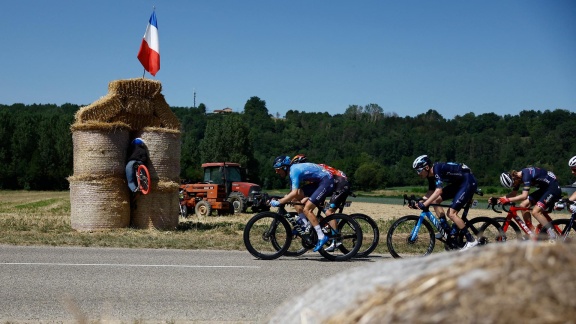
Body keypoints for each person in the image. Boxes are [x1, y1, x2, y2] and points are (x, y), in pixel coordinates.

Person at [412, 155, 479, 251]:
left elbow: (438, 191)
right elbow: (431, 192)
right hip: (459, 184)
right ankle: (446, 228)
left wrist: (426, 204)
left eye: (419, 170)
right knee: (435, 201)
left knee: (451, 213)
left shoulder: (437, 169)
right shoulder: (430, 175)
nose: (418, 173)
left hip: (468, 181)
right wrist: (419, 201)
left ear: (426, 167)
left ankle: (471, 240)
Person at [270, 155, 334, 252]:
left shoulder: (293, 171)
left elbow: (294, 192)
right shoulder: (291, 172)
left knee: (307, 209)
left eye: (278, 169)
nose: (276, 172)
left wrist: (279, 202)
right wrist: (283, 199)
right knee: (295, 198)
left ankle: (321, 236)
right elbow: (293, 194)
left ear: (284, 167)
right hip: (318, 183)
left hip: (326, 181)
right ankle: (305, 224)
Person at [291, 154, 351, 251]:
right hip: (332, 185)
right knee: (309, 202)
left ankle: (336, 240)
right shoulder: (310, 172)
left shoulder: (315, 170)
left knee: (329, 212)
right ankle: (318, 224)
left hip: (341, 184)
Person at [498, 166, 562, 239]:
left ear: (514, 178)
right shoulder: (517, 178)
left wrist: (508, 200)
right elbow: (513, 194)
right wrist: (498, 199)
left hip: (553, 188)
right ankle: (532, 232)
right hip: (545, 189)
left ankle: (552, 235)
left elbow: (524, 196)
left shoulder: (526, 175)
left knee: (536, 212)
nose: (514, 186)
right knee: (523, 205)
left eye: (513, 184)